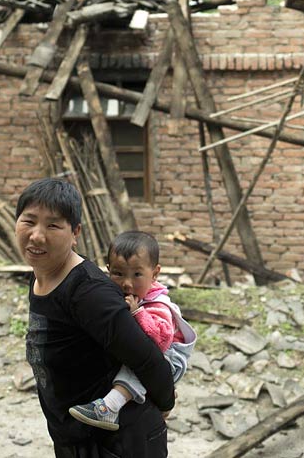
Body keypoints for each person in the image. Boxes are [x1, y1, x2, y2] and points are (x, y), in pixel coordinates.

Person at [15, 178, 174, 458]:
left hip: (117, 442)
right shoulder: (42, 273)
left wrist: (164, 404)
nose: (37, 236)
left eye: (53, 225)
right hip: (74, 438)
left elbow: (149, 359)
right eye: (29, 221)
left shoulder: (89, 293)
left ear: (75, 232)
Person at [68, 231, 196, 432]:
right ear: (108, 270)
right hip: (155, 357)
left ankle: (109, 407)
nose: (127, 283)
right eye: (118, 274)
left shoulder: (158, 305)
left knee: (136, 366)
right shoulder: (121, 294)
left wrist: (138, 313)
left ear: (154, 274)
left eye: (137, 274)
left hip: (170, 358)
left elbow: (160, 342)